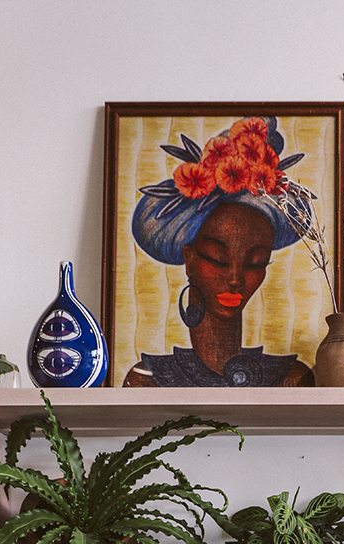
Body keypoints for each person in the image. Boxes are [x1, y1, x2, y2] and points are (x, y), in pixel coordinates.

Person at [124, 116, 315, 388]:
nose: (235, 279)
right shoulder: (148, 379)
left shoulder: (292, 377)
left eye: (256, 262)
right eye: (217, 259)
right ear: (189, 259)